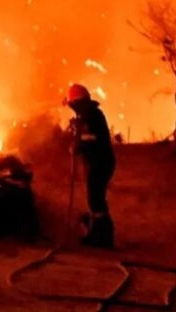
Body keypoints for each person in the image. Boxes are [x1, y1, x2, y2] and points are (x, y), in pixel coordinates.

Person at [64, 83, 115, 248]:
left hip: (101, 162)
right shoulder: (88, 115)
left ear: (78, 103)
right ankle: (99, 234)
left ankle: (102, 237)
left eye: (73, 105)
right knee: (96, 198)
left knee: (95, 198)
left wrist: (78, 146)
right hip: (99, 161)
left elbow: (91, 138)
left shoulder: (92, 116)